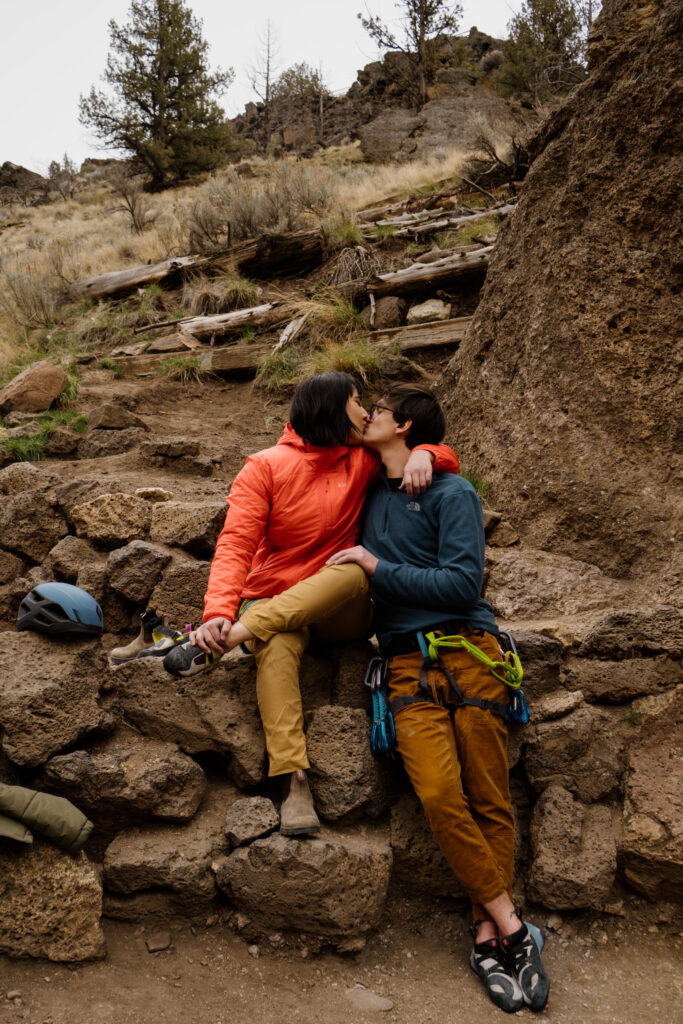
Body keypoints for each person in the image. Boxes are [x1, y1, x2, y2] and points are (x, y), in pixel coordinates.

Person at [325, 383, 550, 1015]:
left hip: (471, 656)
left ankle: (485, 935)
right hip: (403, 667)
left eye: (380, 412)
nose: (368, 416)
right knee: (438, 793)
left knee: (489, 795)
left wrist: (376, 566)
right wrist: (428, 452)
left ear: (405, 427)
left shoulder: (453, 492)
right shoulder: (370, 487)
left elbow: (459, 583)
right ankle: (512, 926)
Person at [177, 372, 460, 837]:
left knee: (352, 570)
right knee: (278, 644)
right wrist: (217, 612)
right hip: (276, 597)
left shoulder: (363, 457)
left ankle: (237, 637)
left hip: (340, 605)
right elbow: (235, 544)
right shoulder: (264, 466)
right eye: (356, 401)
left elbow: (440, 452)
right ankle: (295, 781)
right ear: (332, 408)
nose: (367, 412)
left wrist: (428, 453)